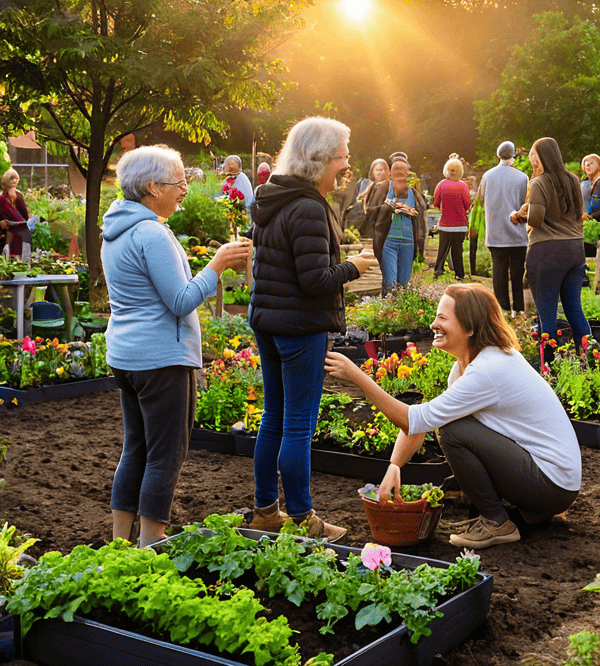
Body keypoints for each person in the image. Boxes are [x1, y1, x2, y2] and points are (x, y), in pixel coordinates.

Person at [325, 284, 581, 549]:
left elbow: (413, 419)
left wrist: (358, 377)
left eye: (443, 318)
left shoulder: (488, 370)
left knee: (453, 431)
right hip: (550, 480)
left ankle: (496, 524)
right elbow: (422, 423)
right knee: (451, 426)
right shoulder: (468, 367)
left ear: (470, 328)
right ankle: (526, 511)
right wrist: (394, 466)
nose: (434, 324)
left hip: (552, 485)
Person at [102, 146, 252, 547]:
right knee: (165, 454)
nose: (185, 188)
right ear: (152, 187)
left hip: (126, 356)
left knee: (135, 447)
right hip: (161, 360)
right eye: (178, 181)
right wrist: (217, 263)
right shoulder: (151, 233)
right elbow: (182, 301)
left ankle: (121, 543)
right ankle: (150, 546)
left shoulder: (116, 228)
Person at [247, 117, 377, 540]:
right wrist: (354, 267)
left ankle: (266, 511)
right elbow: (314, 280)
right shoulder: (306, 207)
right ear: (319, 158)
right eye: (341, 155)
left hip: (268, 320)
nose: (346, 164)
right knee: (298, 423)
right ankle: (304, 519)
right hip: (298, 326)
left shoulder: (274, 197)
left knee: (275, 418)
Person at [512, 138, 592, 353]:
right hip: (575, 249)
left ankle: (547, 369)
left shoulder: (538, 182)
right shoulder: (573, 180)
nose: (530, 157)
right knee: (575, 311)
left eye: (531, 153)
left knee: (547, 315)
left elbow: (536, 220)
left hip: (547, 252)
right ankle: (589, 359)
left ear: (539, 156)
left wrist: (521, 214)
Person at [365, 154, 427, 294]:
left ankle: (399, 315)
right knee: (390, 283)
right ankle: (386, 313)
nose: (400, 172)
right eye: (396, 168)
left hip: (408, 242)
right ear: (391, 172)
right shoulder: (383, 188)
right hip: (388, 242)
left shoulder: (414, 193)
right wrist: (391, 206)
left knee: (403, 284)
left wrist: (421, 246)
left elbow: (421, 221)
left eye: (403, 169)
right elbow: (370, 212)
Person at [480, 141, 529, 313]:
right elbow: (525, 205)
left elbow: (481, 199)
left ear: (498, 154)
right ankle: (519, 309)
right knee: (517, 273)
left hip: (495, 233)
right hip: (517, 234)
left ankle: (502, 310)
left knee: (499, 274)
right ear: (513, 155)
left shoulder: (487, 175)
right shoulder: (523, 177)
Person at [433, 155, 472, 280]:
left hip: (445, 225)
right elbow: (468, 205)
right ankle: (459, 274)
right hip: (460, 225)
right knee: (457, 251)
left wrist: (442, 209)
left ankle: (438, 269)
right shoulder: (463, 186)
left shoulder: (441, 185)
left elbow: (435, 202)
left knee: (443, 249)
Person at [0, 168, 32, 259]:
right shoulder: (2, 199)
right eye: (11, 178)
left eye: (15, 178)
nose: (14, 180)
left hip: (20, 231)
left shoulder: (19, 195)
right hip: (6, 232)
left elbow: (25, 216)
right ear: (6, 181)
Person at [466, 175, 484, 276]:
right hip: (474, 226)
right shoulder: (473, 196)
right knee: (472, 248)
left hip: (477, 227)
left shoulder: (476, 196)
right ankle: (473, 271)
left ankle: (474, 271)